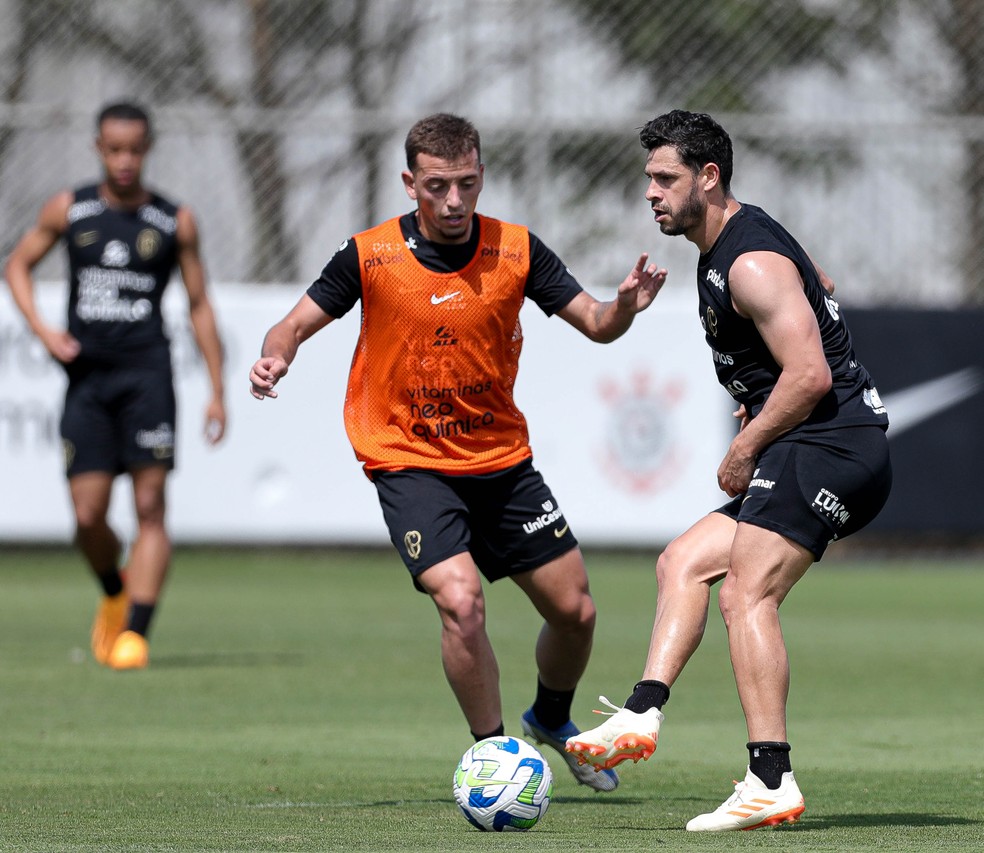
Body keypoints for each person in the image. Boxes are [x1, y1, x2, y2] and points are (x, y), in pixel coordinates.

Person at [249, 112, 666, 791]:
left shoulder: (516, 249)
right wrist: (274, 358)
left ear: (480, 178)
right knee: (461, 600)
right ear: (410, 182)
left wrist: (624, 306)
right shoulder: (371, 255)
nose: (453, 201)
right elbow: (292, 323)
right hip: (407, 458)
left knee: (576, 612)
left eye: (466, 184)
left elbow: (594, 322)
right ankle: (494, 756)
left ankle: (550, 716)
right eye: (437, 185)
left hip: (501, 461)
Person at [565, 110, 892, 829]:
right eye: (648, 177)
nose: (650, 191)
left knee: (745, 591)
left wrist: (746, 443)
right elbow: (819, 284)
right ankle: (642, 715)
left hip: (833, 444)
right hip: (813, 439)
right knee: (683, 561)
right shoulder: (729, 245)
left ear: (708, 178)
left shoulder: (746, 260)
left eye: (665, 178)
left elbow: (807, 375)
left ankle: (769, 778)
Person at [4, 101, 226, 671]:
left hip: (147, 375)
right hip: (87, 380)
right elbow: (17, 266)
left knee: (150, 505)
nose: (125, 160)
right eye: (115, 149)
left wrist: (218, 388)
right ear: (99, 149)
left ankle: (135, 634)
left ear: (147, 150)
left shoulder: (174, 220)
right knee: (86, 516)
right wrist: (44, 331)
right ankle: (112, 588)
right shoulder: (70, 209)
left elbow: (199, 304)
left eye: (135, 149)